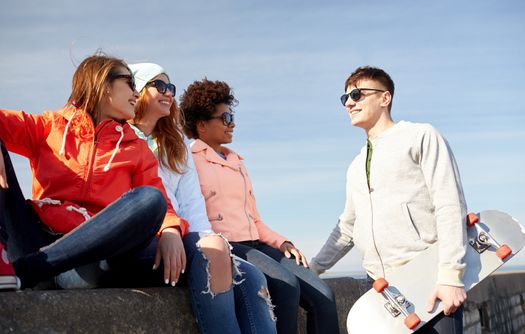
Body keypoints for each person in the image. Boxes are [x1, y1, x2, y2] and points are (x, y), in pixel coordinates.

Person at [0, 53, 189, 291]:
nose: (136, 93)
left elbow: (159, 201)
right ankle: (29, 266)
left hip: (91, 258)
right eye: (129, 83)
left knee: (152, 200)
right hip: (33, 239)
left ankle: (36, 269)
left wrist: (171, 230)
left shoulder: (136, 148)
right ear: (103, 85)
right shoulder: (49, 126)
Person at [310, 66, 468, 333]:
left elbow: (449, 204)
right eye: (345, 98)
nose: (349, 102)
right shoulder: (356, 165)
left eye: (358, 95)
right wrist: (312, 269)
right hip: (382, 290)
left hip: (428, 277)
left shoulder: (420, 136)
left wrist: (451, 276)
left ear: (385, 98)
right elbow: (347, 227)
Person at [179, 79, 339, 334]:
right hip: (227, 245)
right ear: (201, 124)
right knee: (286, 286)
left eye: (232, 116)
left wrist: (282, 243)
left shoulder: (237, 162)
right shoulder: (189, 160)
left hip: (258, 244)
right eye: (225, 117)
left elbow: (254, 219)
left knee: (323, 296)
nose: (232, 123)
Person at [128, 62, 276, 334]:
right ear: (136, 90)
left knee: (253, 278)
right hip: (149, 238)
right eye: (158, 85)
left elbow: (192, 204)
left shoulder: (175, 146)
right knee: (215, 258)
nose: (168, 92)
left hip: (184, 236)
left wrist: (209, 240)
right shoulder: (124, 140)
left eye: (170, 87)